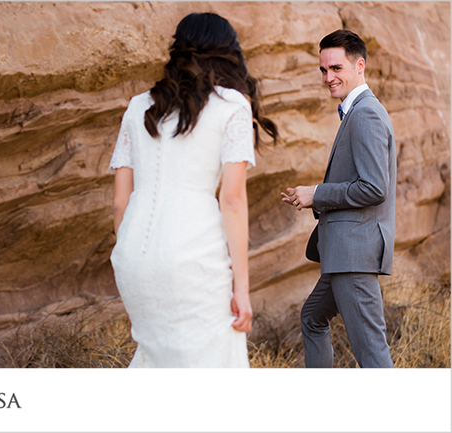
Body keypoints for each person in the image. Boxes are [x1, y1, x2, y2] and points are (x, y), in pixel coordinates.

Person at [109, 12, 277, 367]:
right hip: (194, 259)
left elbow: (120, 202)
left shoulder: (139, 107)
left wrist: (133, 280)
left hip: (132, 259)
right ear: (226, 53)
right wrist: (242, 290)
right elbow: (231, 200)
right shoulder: (232, 107)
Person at [280, 30, 395, 368]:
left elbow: (375, 187)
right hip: (343, 254)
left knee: (373, 353)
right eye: (323, 70)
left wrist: (317, 193)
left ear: (360, 65)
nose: (328, 77)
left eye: (336, 68)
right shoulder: (356, 112)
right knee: (312, 318)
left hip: (354, 254)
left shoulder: (366, 114)